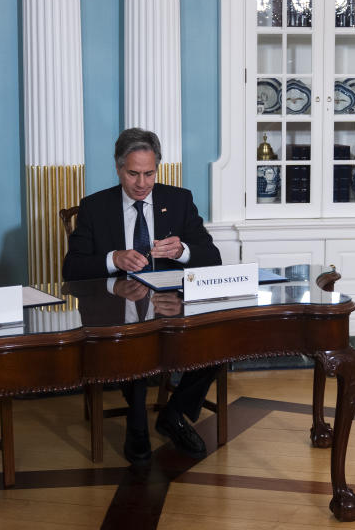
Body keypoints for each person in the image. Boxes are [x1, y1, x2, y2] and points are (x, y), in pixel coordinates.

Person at [63, 128, 222, 466]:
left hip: (171, 307)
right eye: (133, 173)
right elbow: (71, 268)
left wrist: (182, 250)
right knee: (137, 341)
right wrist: (113, 259)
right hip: (117, 309)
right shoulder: (96, 207)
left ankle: (175, 414)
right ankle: (136, 425)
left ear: (157, 167)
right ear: (119, 168)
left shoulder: (179, 200)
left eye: (149, 173)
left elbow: (212, 258)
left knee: (219, 343)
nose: (142, 182)